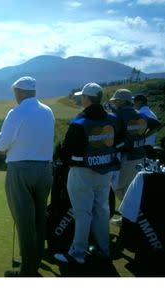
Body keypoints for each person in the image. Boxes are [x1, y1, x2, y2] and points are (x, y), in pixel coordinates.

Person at [0, 76, 55, 277]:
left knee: (24, 221)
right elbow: (32, 136)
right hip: (44, 170)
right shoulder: (47, 111)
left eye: (15, 92)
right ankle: (35, 263)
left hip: (21, 171)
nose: (14, 95)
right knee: (40, 218)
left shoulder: (15, 112)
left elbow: (3, 146)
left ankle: (27, 271)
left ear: (20, 92)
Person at [54, 83, 121, 265]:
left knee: (83, 212)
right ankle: (103, 249)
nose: (80, 99)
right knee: (101, 210)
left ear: (87, 98)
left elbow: (67, 150)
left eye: (81, 97)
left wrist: (61, 153)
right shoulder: (112, 119)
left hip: (82, 172)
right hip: (105, 172)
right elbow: (119, 142)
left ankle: (77, 253)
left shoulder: (80, 121)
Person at [109, 89, 162, 222]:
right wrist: (143, 137)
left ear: (121, 101)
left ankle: (137, 218)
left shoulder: (120, 114)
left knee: (118, 188)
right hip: (140, 156)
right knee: (129, 189)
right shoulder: (139, 113)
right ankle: (130, 219)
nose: (114, 103)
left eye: (116, 101)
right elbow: (157, 124)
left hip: (128, 157)